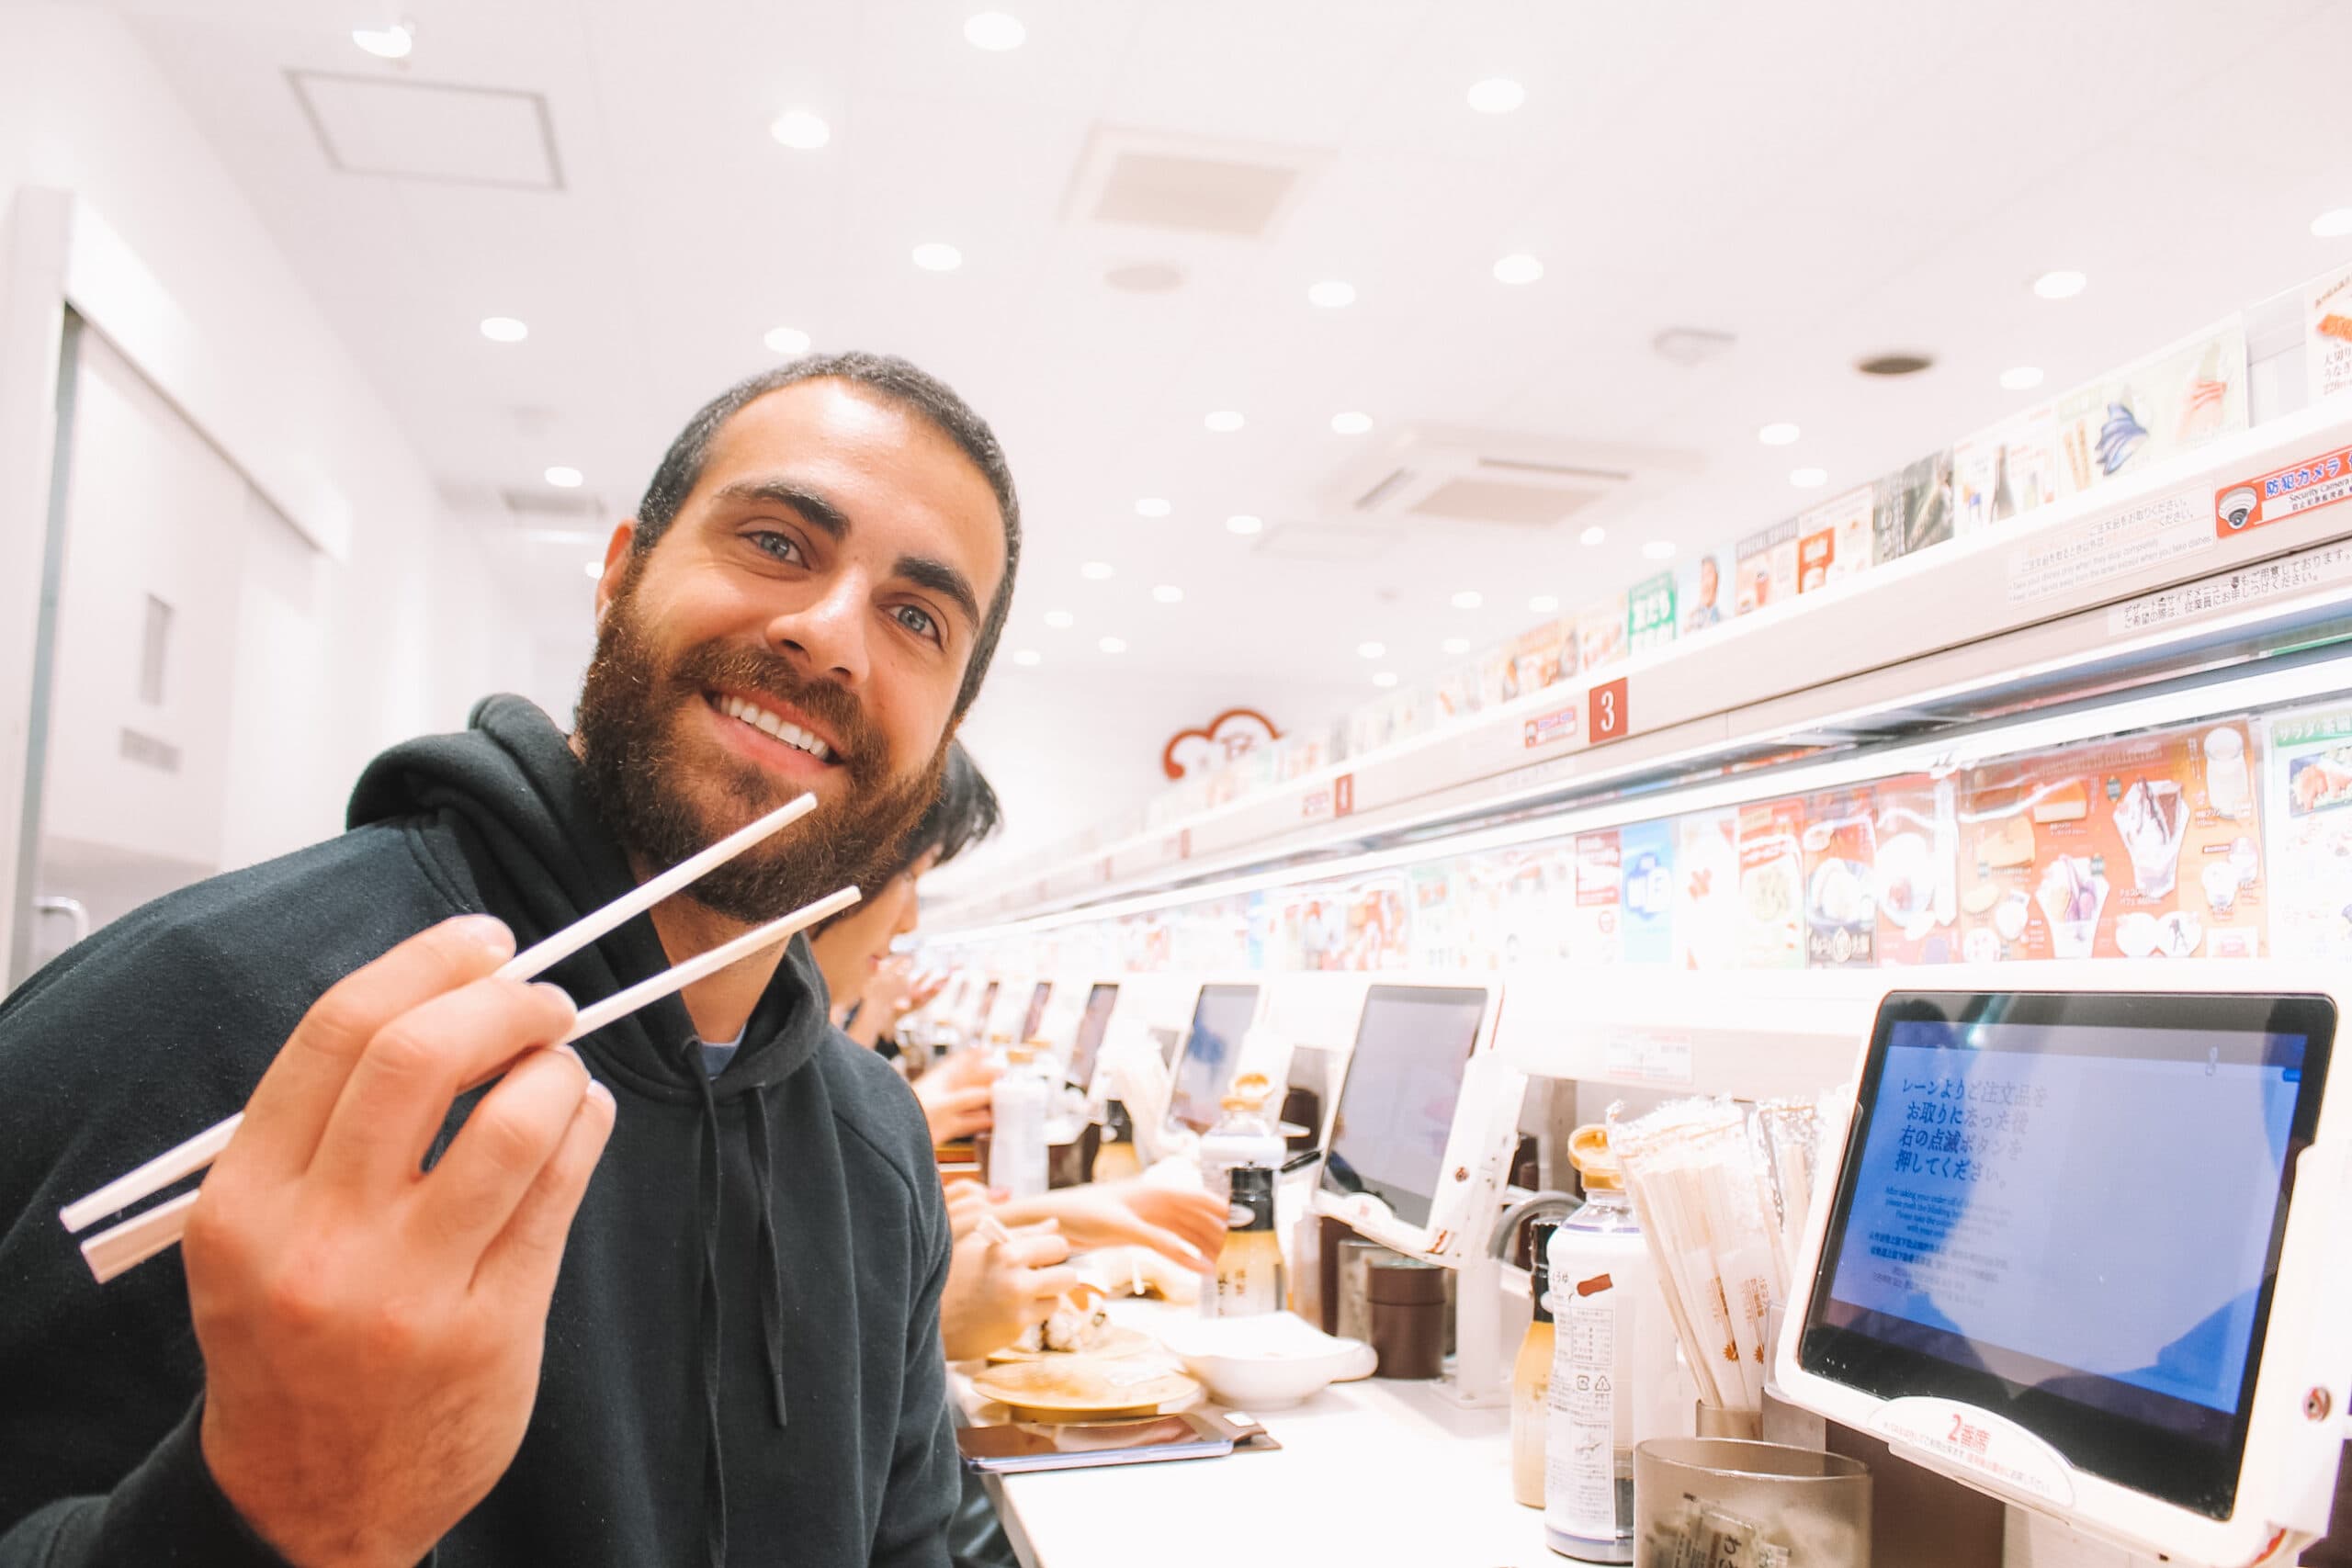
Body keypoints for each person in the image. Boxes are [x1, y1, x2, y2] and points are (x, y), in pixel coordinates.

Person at [0, 351, 1021, 1568]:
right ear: (622, 573)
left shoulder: (874, 1143)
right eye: (778, 543)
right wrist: (270, 1515)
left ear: (946, 729)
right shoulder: (217, 1007)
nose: (830, 636)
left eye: (918, 617)